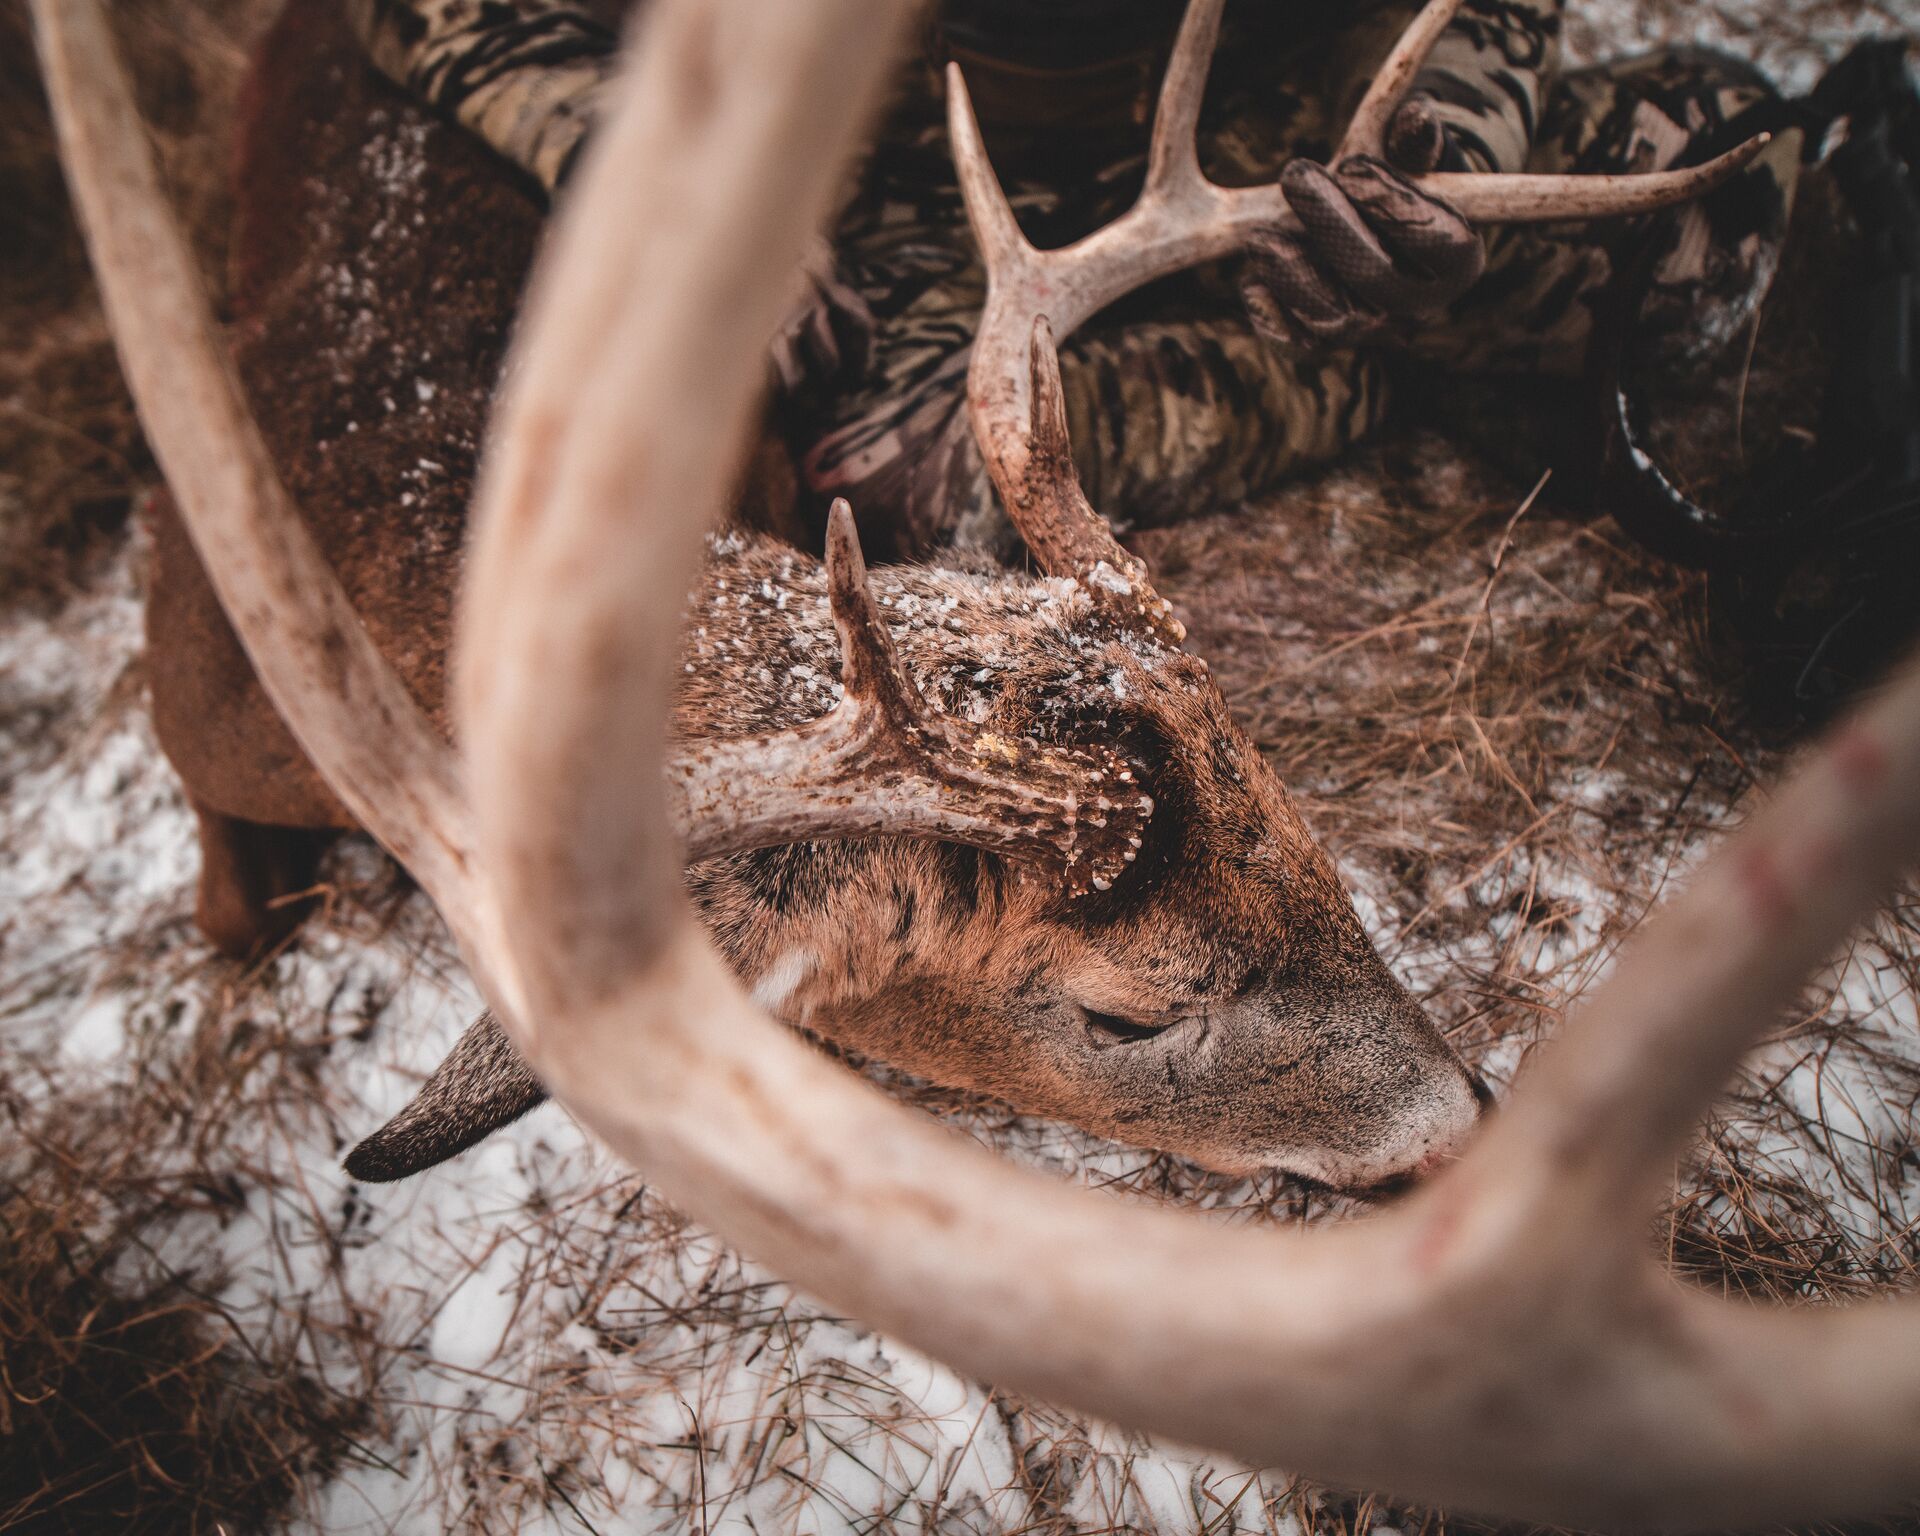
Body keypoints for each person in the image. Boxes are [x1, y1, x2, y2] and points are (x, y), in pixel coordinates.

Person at [343, 0, 1801, 556]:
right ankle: (1336, 369)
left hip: (1290, 132)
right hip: (921, 173)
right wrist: (680, 188)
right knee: (895, 490)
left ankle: (1351, 330)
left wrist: (1439, 157)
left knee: (1684, 271)